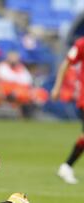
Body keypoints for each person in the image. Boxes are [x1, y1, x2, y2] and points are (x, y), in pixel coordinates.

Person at [51, 37, 84, 184]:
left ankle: (66, 167)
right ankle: (66, 166)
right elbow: (66, 63)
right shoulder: (81, 44)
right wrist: (57, 87)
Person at [0, 51, 48, 118]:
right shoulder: (3, 66)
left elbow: (28, 79)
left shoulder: (21, 67)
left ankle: (34, 110)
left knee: (42, 92)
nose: (14, 59)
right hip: (9, 90)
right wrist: (19, 80)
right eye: (12, 57)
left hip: (23, 89)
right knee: (22, 94)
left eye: (15, 57)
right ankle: (29, 111)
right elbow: (8, 77)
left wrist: (19, 80)